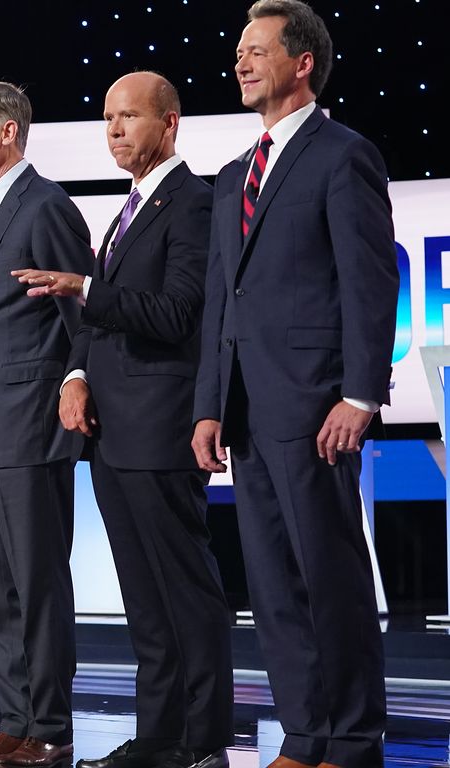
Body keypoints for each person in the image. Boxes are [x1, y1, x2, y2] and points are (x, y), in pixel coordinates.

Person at [192, 3, 396, 766]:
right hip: (247, 412)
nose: (241, 62)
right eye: (238, 51)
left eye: (257, 50)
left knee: (328, 574)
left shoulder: (343, 155)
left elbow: (368, 284)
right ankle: (303, 734)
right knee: (273, 586)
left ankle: (347, 738)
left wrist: (360, 394)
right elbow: (221, 299)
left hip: (316, 403)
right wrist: (209, 406)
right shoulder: (234, 175)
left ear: (302, 61)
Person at [13, 72, 233, 768]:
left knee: (185, 593)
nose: (113, 130)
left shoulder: (194, 203)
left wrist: (83, 286)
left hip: (163, 426)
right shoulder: (129, 208)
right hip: (112, 432)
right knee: (144, 598)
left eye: (127, 117)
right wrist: (75, 374)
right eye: (106, 117)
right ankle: (159, 735)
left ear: (169, 124)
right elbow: (98, 323)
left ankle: (202, 740)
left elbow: (175, 315)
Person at [0, 81, 91, 768]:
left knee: (37, 584)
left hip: (29, 426)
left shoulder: (46, 204)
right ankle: (14, 720)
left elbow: (82, 317)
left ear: (8, 132)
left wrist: (74, 380)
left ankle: (51, 727)